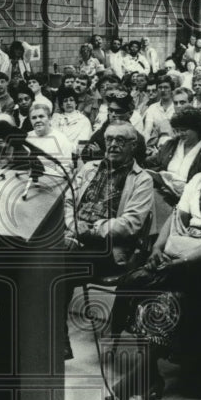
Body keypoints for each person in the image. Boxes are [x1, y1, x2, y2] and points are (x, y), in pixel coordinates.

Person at [104, 121, 201, 400]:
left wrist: (185, 261)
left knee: (169, 298)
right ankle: (149, 376)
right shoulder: (198, 180)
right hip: (182, 256)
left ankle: (143, 378)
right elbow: (177, 219)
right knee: (137, 282)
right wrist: (158, 249)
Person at [62, 120, 155, 359]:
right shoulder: (88, 168)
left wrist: (91, 229)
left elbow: (130, 223)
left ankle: (57, 335)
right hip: (76, 238)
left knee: (58, 266)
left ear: (133, 145)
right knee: (41, 258)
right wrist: (74, 226)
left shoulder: (142, 179)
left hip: (110, 249)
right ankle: (52, 332)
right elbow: (67, 201)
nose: (113, 144)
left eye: (120, 140)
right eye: (109, 139)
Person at [146, 106, 201, 200]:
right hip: (163, 194)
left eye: (183, 130)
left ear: (197, 128)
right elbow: (151, 162)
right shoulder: (171, 145)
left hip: (190, 198)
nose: (180, 134)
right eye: (177, 130)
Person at [26, 102, 74, 175]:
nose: (37, 120)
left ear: (49, 118)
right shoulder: (27, 138)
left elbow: (64, 170)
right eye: (34, 118)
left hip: (54, 179)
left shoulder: (61, 139)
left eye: (41, 116)